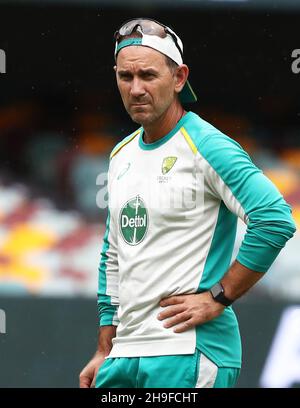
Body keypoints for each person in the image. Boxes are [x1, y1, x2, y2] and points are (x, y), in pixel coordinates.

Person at [79, 18, 296, 388]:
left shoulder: (208, 146)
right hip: (123, 356)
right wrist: (105, 348)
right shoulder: (120, 155)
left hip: (188, 351)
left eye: (148, 76)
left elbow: (274, 218)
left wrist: (218, 297)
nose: (135, 89)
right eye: (125, 77)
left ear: (179, 78)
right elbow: (113, 253)